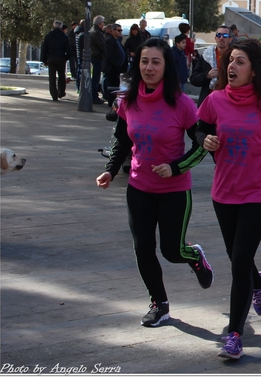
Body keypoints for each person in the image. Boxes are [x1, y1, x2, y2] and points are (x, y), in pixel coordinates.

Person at [196, 38, 261, 359]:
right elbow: (199, 129)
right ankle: (258, 281)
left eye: (240, 61)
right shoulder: (215, 100)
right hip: (224, 193)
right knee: (237, 260)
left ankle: (234, 334)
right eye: (231, 60)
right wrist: (207, 140)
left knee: (239, 261)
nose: (232, 66)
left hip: (259, 194)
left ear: (255, 71)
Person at [95, 38, 213, 328]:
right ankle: (159, 304)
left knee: (172, 252)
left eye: (155, 62)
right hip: (138, 188)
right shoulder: (129, 101)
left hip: (174, 191)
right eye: (144, 61)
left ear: (166, 66)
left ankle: (195, 256)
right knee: (143, 248)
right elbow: (122, 139)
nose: (149, 67)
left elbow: (200, 144)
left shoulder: (182, 104)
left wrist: (175, 168)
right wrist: (110, 169)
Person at [191, 25, 232, 106]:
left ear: (230, 39)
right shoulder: (206, 55)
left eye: (225, 35)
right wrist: (207, 75)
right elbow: (193, 79)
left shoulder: (235, 57)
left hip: (228, 102)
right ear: (215, 38)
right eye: (219, 35)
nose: (221, 38)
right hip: (208, 102)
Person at [40, 20, 72, 102]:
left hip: (51, 58)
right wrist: (66, 57)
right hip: (61, 58)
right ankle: (61, 92)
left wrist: (44, 60)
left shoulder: (48, 36)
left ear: (53, 26)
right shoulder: (64, 36)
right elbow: (69, 50)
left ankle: (54, 95)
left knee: (52, 78)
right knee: (61, 76)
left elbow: (44, 49)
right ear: (61, 27)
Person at [102, 23, 126, 106]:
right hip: (112, 68)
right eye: (118, 30)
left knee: (116, 85)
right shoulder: (109, 40)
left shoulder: (117, 40)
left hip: (117, 67)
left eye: (121, 30)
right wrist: (116, 64)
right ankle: (111, 102)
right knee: (112, 85)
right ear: (112, 31)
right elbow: (110, 55)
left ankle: (113, 102)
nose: (120, 32)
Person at [89, 15, 107, 104]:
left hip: (96, 56)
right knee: (95, 78)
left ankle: (93, 95)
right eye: (103, 22)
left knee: (95, 77)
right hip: (96, 57)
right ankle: (93, 96)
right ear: (100, 23)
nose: (104, 24)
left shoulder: (95, 31)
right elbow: (102, 45)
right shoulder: (96, 32)